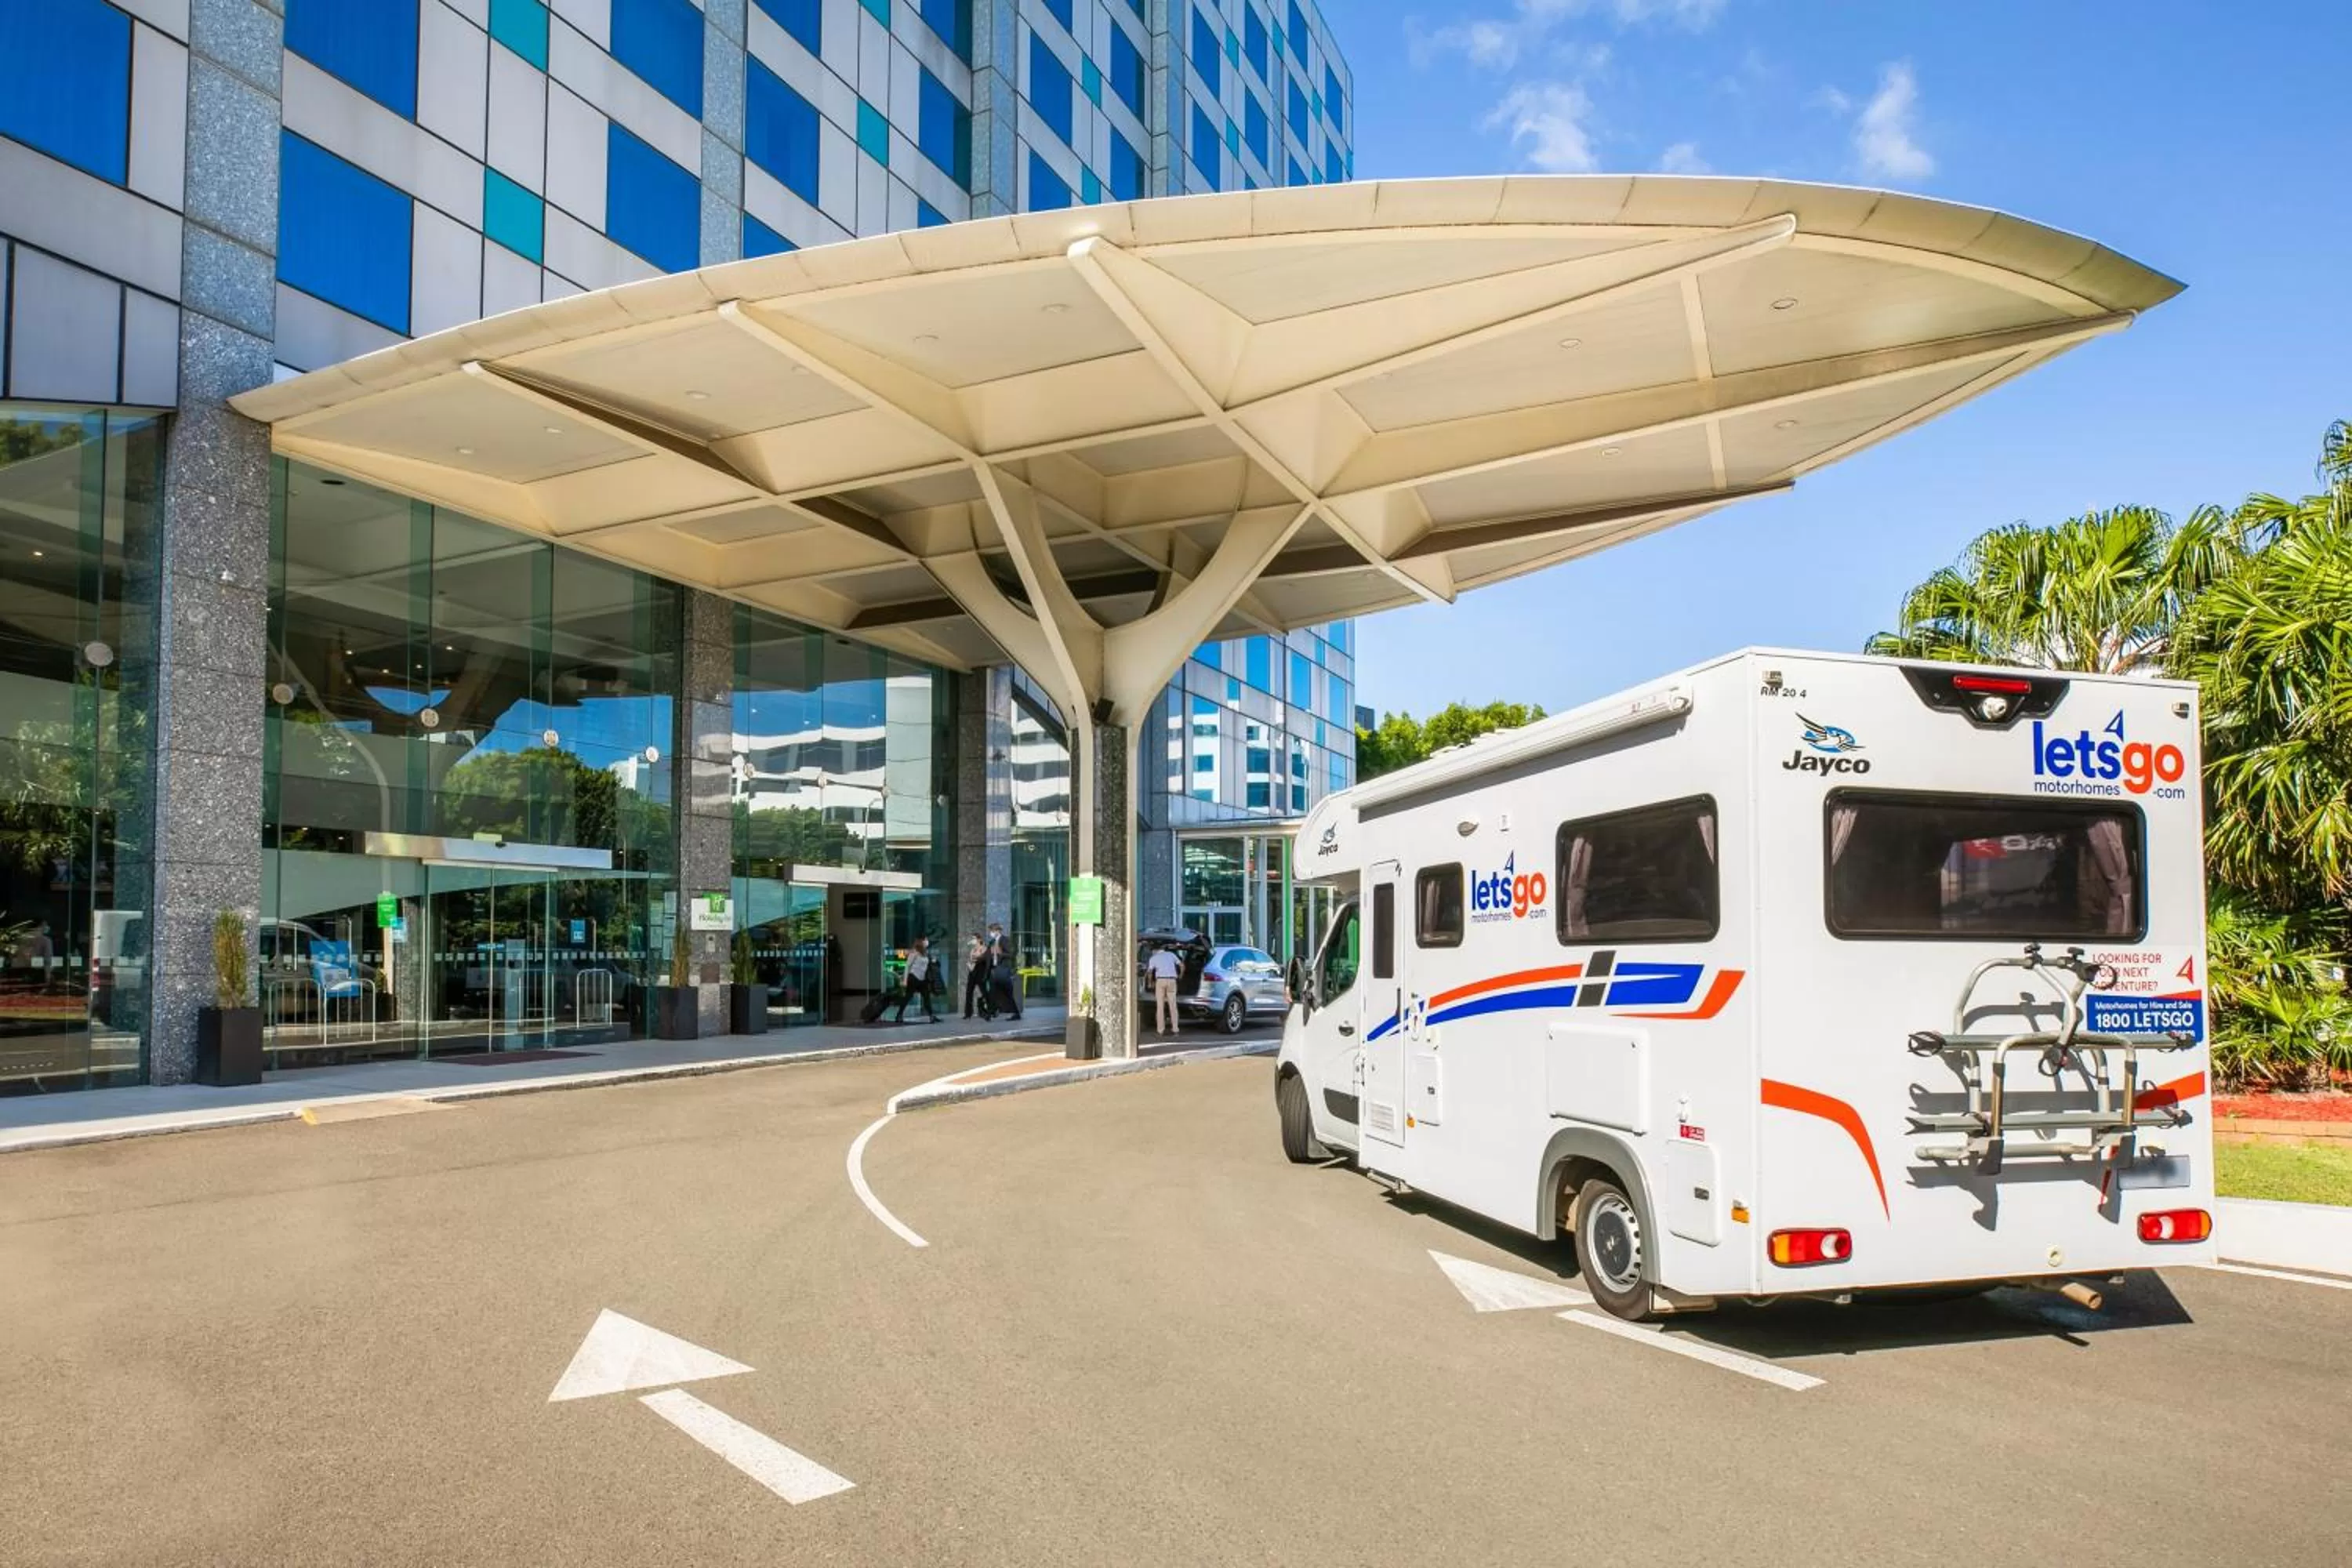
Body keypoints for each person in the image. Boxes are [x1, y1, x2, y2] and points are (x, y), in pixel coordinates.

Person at [894, 936, 938, 1024]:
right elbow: (907, 966)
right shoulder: (914, 952)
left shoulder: (925, 953)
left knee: (926, 997)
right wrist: (905, 980)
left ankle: (931, 1016)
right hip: (913, 978)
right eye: (925, 940)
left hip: (923, 979)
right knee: (908, 997)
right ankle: (899, 1015)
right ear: (921, 942)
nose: (927, 942)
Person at [985, 922, 1022, 1020]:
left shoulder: (1005, 940)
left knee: (1007, 992)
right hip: (994, 970)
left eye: (992, 931)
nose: (991, 933)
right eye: (990, 931)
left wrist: (1000, 954)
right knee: (992, 992)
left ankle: (1016, 1013)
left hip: (1003, 969)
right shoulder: (992, 942)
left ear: (998, 931)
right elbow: (989, 955)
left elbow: (1012, 953)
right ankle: (991, 1012)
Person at [1147, 942, 1183, 1036]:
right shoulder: (1171, 955)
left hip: (1160, 981)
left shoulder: (1153, 958)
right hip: (1172, 980)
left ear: (1155, 950)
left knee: (1160, 1006)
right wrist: (1180, 976)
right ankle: (1175, 1030)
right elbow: (1182, 966)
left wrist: (1150, 983)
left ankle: (1160, 1031)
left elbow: (1150, 972)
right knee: (1173, 1005)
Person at [964, 931, 992, 1020]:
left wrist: (977, 959)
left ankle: (990, 1010)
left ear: (979, 939)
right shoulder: (973, 950)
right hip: (972, 972)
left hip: (981, 972)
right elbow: (972, 960)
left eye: (974, 939)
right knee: (969, 992)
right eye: (972, 939)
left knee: (984, 992)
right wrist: (970, 965)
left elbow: (985, 960)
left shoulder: (984, 949)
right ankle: (968, 1013)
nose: (972, 941)